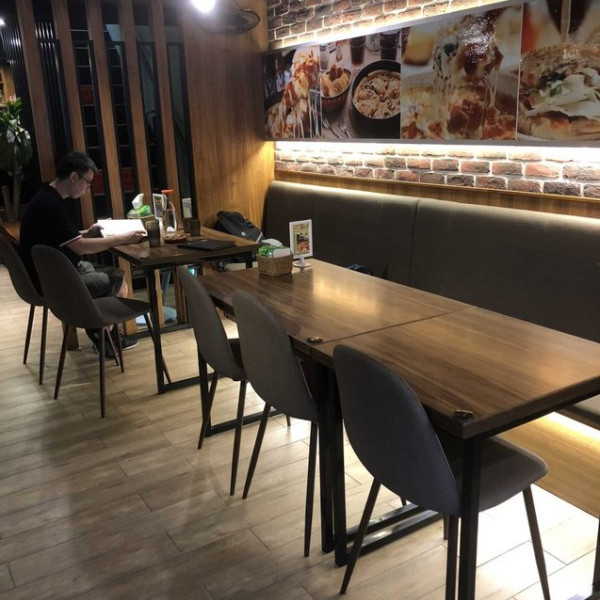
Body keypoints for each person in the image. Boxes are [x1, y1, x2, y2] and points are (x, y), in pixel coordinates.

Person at [19, 151, 145, 356]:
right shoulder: (52, 206)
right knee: (119, 281)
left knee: (110, 277)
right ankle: (105, 339)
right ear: (74, 176)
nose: (88, 189)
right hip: (55, 283)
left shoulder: (46, 198)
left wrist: (87, 233)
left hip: (48, 276)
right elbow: (80, 248)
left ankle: (102, 335)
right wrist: (123, 238)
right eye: (88, 183)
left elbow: (65, 239)